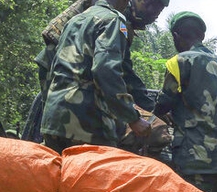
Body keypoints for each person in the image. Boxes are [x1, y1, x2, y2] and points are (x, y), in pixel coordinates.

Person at [40, 0, 152, 153]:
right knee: (95, 176)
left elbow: (53, 66)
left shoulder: (75, 20)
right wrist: (133, 118)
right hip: (86, 123)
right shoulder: (114, 20)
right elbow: (105, 70)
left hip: (54, 119)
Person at [154, 12, 217, 192]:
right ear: (202, 36)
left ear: (175, 36)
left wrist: (151, 118)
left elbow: (163, 103)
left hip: (197, 158)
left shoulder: (181, 61)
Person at [36, 0, 168, 111]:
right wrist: (150, 107)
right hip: (57, 63)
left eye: (158, 10)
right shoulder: (119, 14)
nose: (152, 13)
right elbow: (121, 69)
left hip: (61, 63)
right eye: (149, 5)